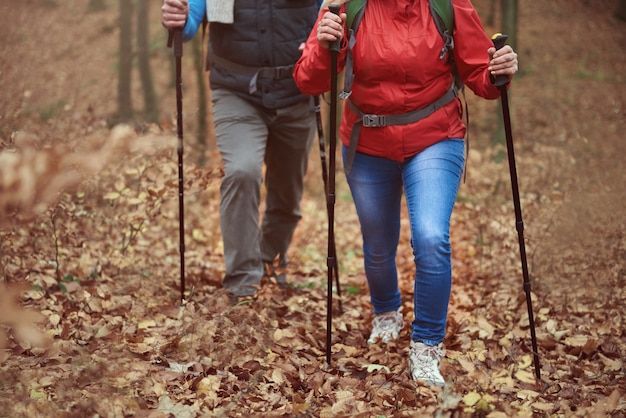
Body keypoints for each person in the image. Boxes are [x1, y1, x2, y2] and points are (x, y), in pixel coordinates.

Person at [293, 0, 518, 386]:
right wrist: (329, 45)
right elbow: (309, 81)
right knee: (378, 243)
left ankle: (427, 346)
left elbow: (480, 75)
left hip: (434, 136)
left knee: (431, 237)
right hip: (367, 142)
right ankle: (386, 313)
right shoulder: (345, 6)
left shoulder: (448, 6)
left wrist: (498, 70)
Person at [161, 0, 323, 301]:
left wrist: (325, 39)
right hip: (236, 91)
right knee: (242, 171)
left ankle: (268, 260)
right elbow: (191, 17)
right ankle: (243, 281)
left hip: (297, 91)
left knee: (287, 196)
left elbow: (330, 8)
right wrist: (180, 20)